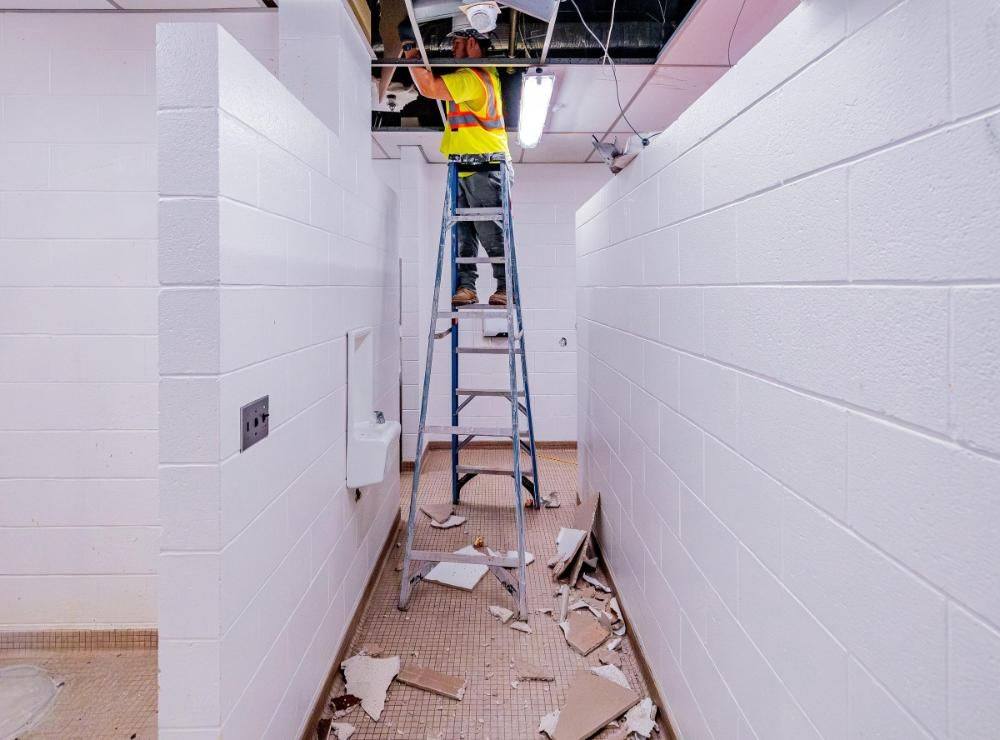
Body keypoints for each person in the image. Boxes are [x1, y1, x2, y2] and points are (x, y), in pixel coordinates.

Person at [404, 16, 510, 307]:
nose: (452, 47)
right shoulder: (478, 76)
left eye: (458, 41)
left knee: (490, 232)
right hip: (465, 167)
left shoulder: (473, 77)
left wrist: (410, 52)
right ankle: (467, 287)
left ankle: (504, 287)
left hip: (484, 165)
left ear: (473, 42)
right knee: (464, 236)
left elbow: (428, 87)